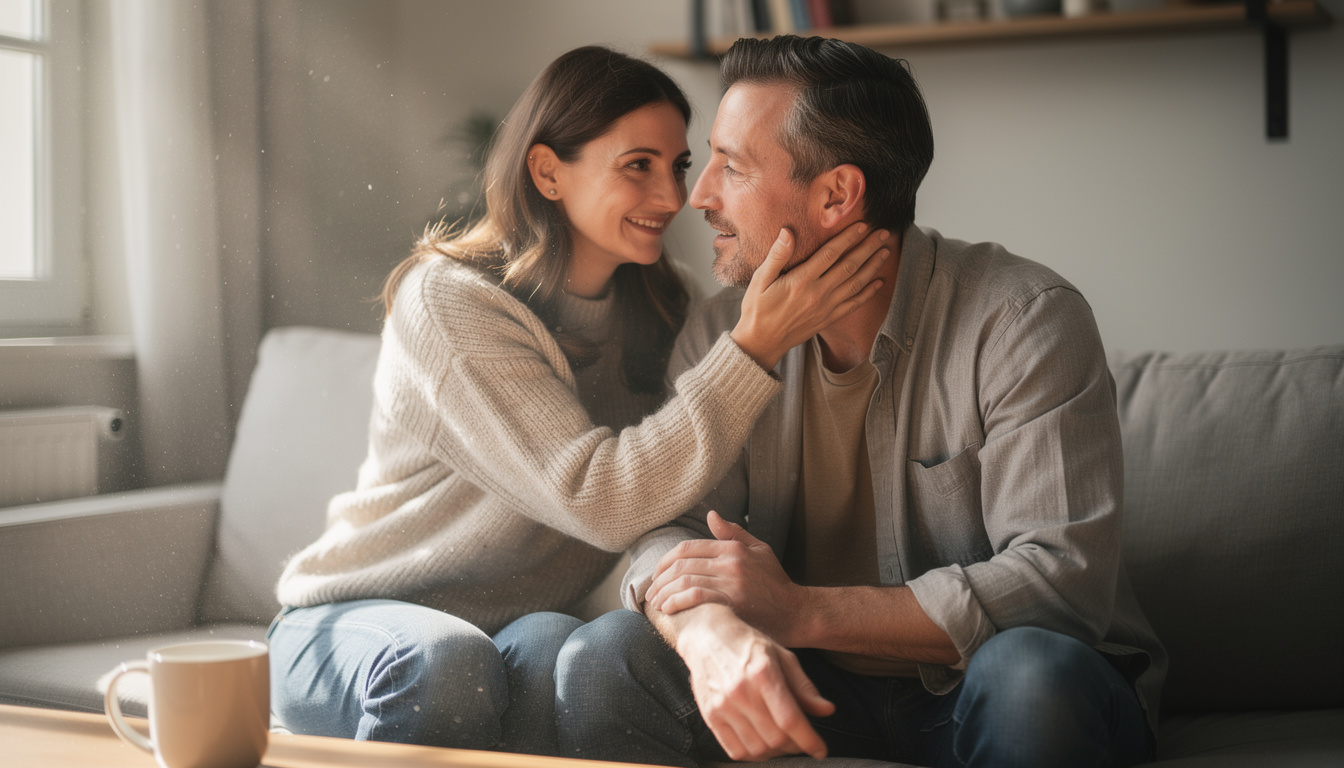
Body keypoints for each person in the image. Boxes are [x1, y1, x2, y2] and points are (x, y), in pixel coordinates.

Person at [555, 35, 1167, 768]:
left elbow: (1058, 582)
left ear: (837, 194)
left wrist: (803, 610)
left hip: (986, 684)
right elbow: (669, 531)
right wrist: (710, 631)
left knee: (1029, 678)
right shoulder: (725, 327)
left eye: (733, 166)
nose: (700, 194)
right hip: (811, 690)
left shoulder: (1022, 319)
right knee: (603, 658)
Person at [266, 45, 889, 757]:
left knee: (575, 655)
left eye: (678, 166)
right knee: (444, 666)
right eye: (638, 166)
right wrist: (751, 351)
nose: (675, 197)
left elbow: (677, 501)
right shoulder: (448, 303)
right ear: (547, 172)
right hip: (361, 618)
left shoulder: (672, 303)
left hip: (521, 618)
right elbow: (600, 498)